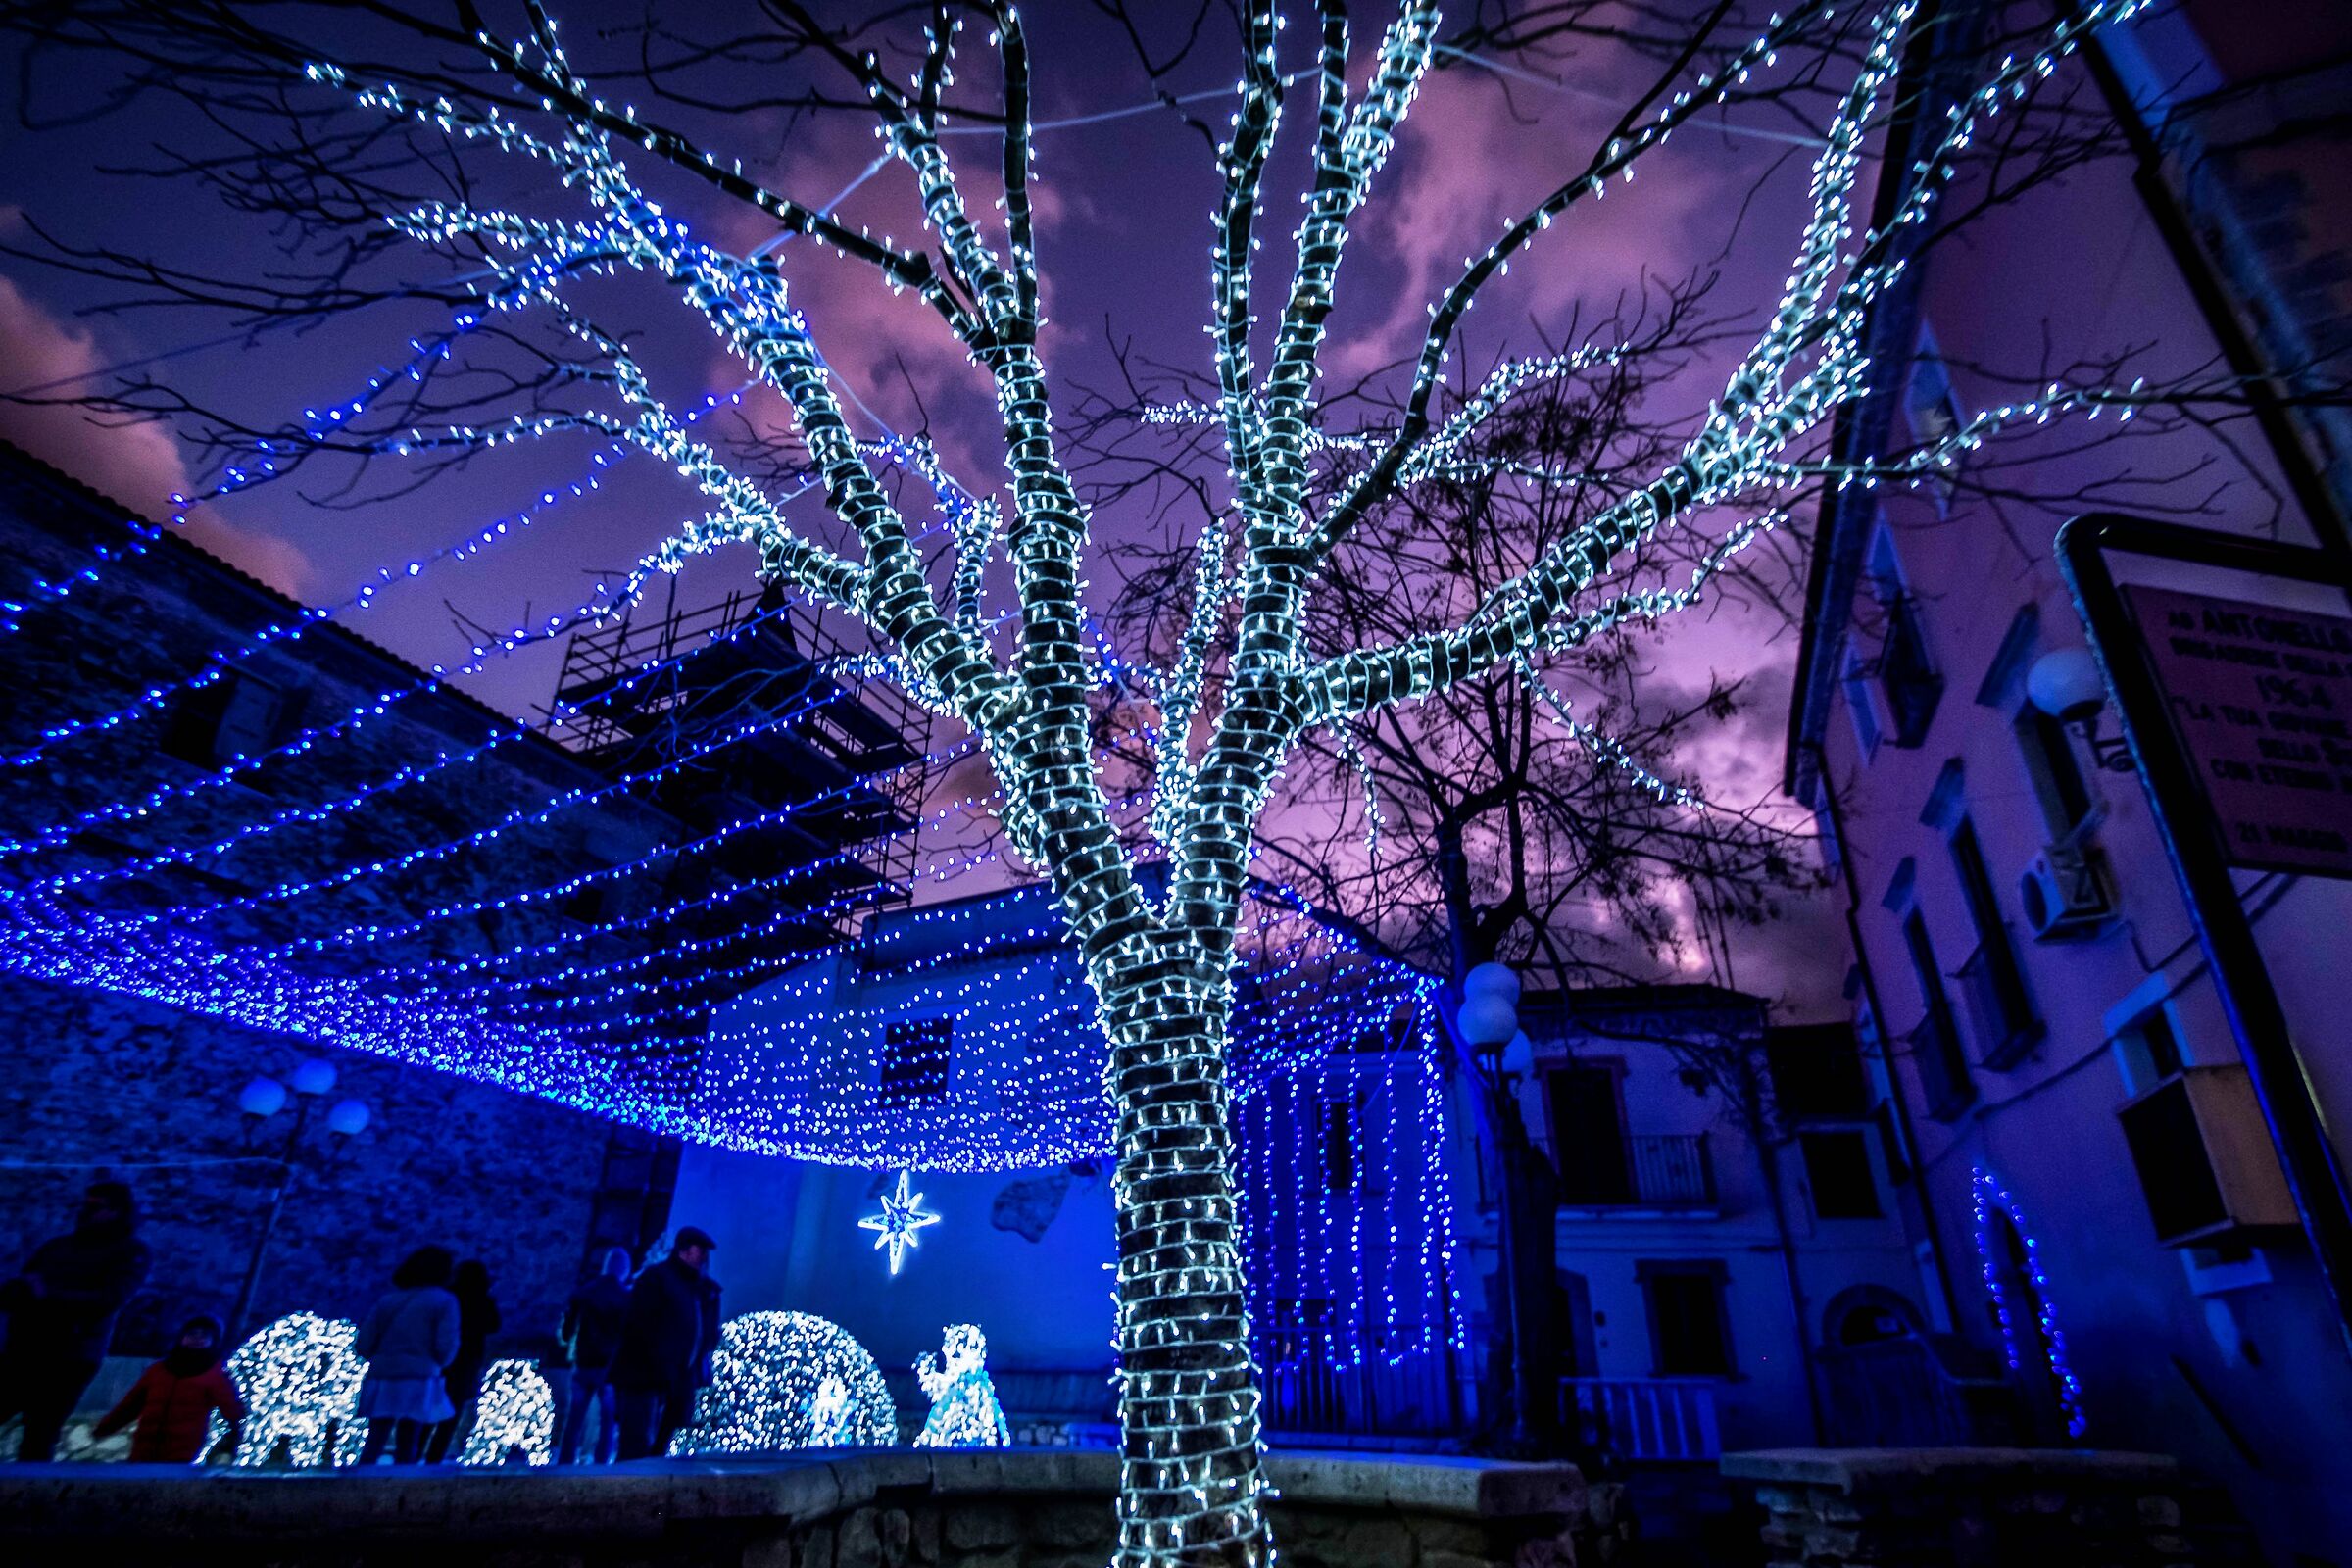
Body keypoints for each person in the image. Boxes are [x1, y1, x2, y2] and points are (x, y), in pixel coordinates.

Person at [0, 1180, 153, 1461]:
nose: (86, 1211)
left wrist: (47, 1294)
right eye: (86, 1205)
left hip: (69, 1354)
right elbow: (27, 1283)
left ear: (117, 1211)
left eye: (96, 1207)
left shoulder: (130, 1251)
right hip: (24, 1348)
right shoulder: (57, 1247)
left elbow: (109, 1298)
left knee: (40, 1432)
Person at [608, 1226, 719, 1461]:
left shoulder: (698, 1289)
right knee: (636, 1445)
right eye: (699, 1251)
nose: (703, 1258)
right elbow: (640, 1327)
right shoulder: (657, 1280)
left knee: (659, 1443)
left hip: (676, 1378)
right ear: (684, 1251)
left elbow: (700, 1332)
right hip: (646, 1376)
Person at [352, 1245, 460, 1465]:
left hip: (383, 1373)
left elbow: (364, 1342)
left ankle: (357, 1487)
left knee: (375, 1440)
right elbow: (445, 1343)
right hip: (419, 1374)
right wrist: (439, 1362)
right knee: (409, 1441)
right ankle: (405, 1489)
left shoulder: (388, 1300)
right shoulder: (443, 1301)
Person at [90, 1315, 244, 1464]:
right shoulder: (158, 1371)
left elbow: (231, 1408)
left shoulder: (215, 1375)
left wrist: (236, 1436)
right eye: (192, 1334)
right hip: (144, 1448)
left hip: (182, 1453)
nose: (197, 1339)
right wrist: (104, 1428)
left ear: (213, 1341)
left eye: (204, 1335)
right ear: (182, 1337)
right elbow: (132, 1404)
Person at [557, 1248, 632, 1464]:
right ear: (624, 1269)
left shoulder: (585, 1292)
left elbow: (567, 1329)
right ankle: (601, 1464)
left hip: (583, 1361)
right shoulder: (625, 1298)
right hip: (609, 1366)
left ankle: (565, 1461)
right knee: (607, 1420)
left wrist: (568, 1338)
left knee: (575, 1418)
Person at [423, 1259, 500, 1463]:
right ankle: (435, 1457)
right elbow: (494, 1325)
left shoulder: (448, 1297)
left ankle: (416, 1451)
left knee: (431, 1406)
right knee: (453, 1409)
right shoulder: (482, 1300)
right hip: (468, 1358)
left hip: (443, 1359)